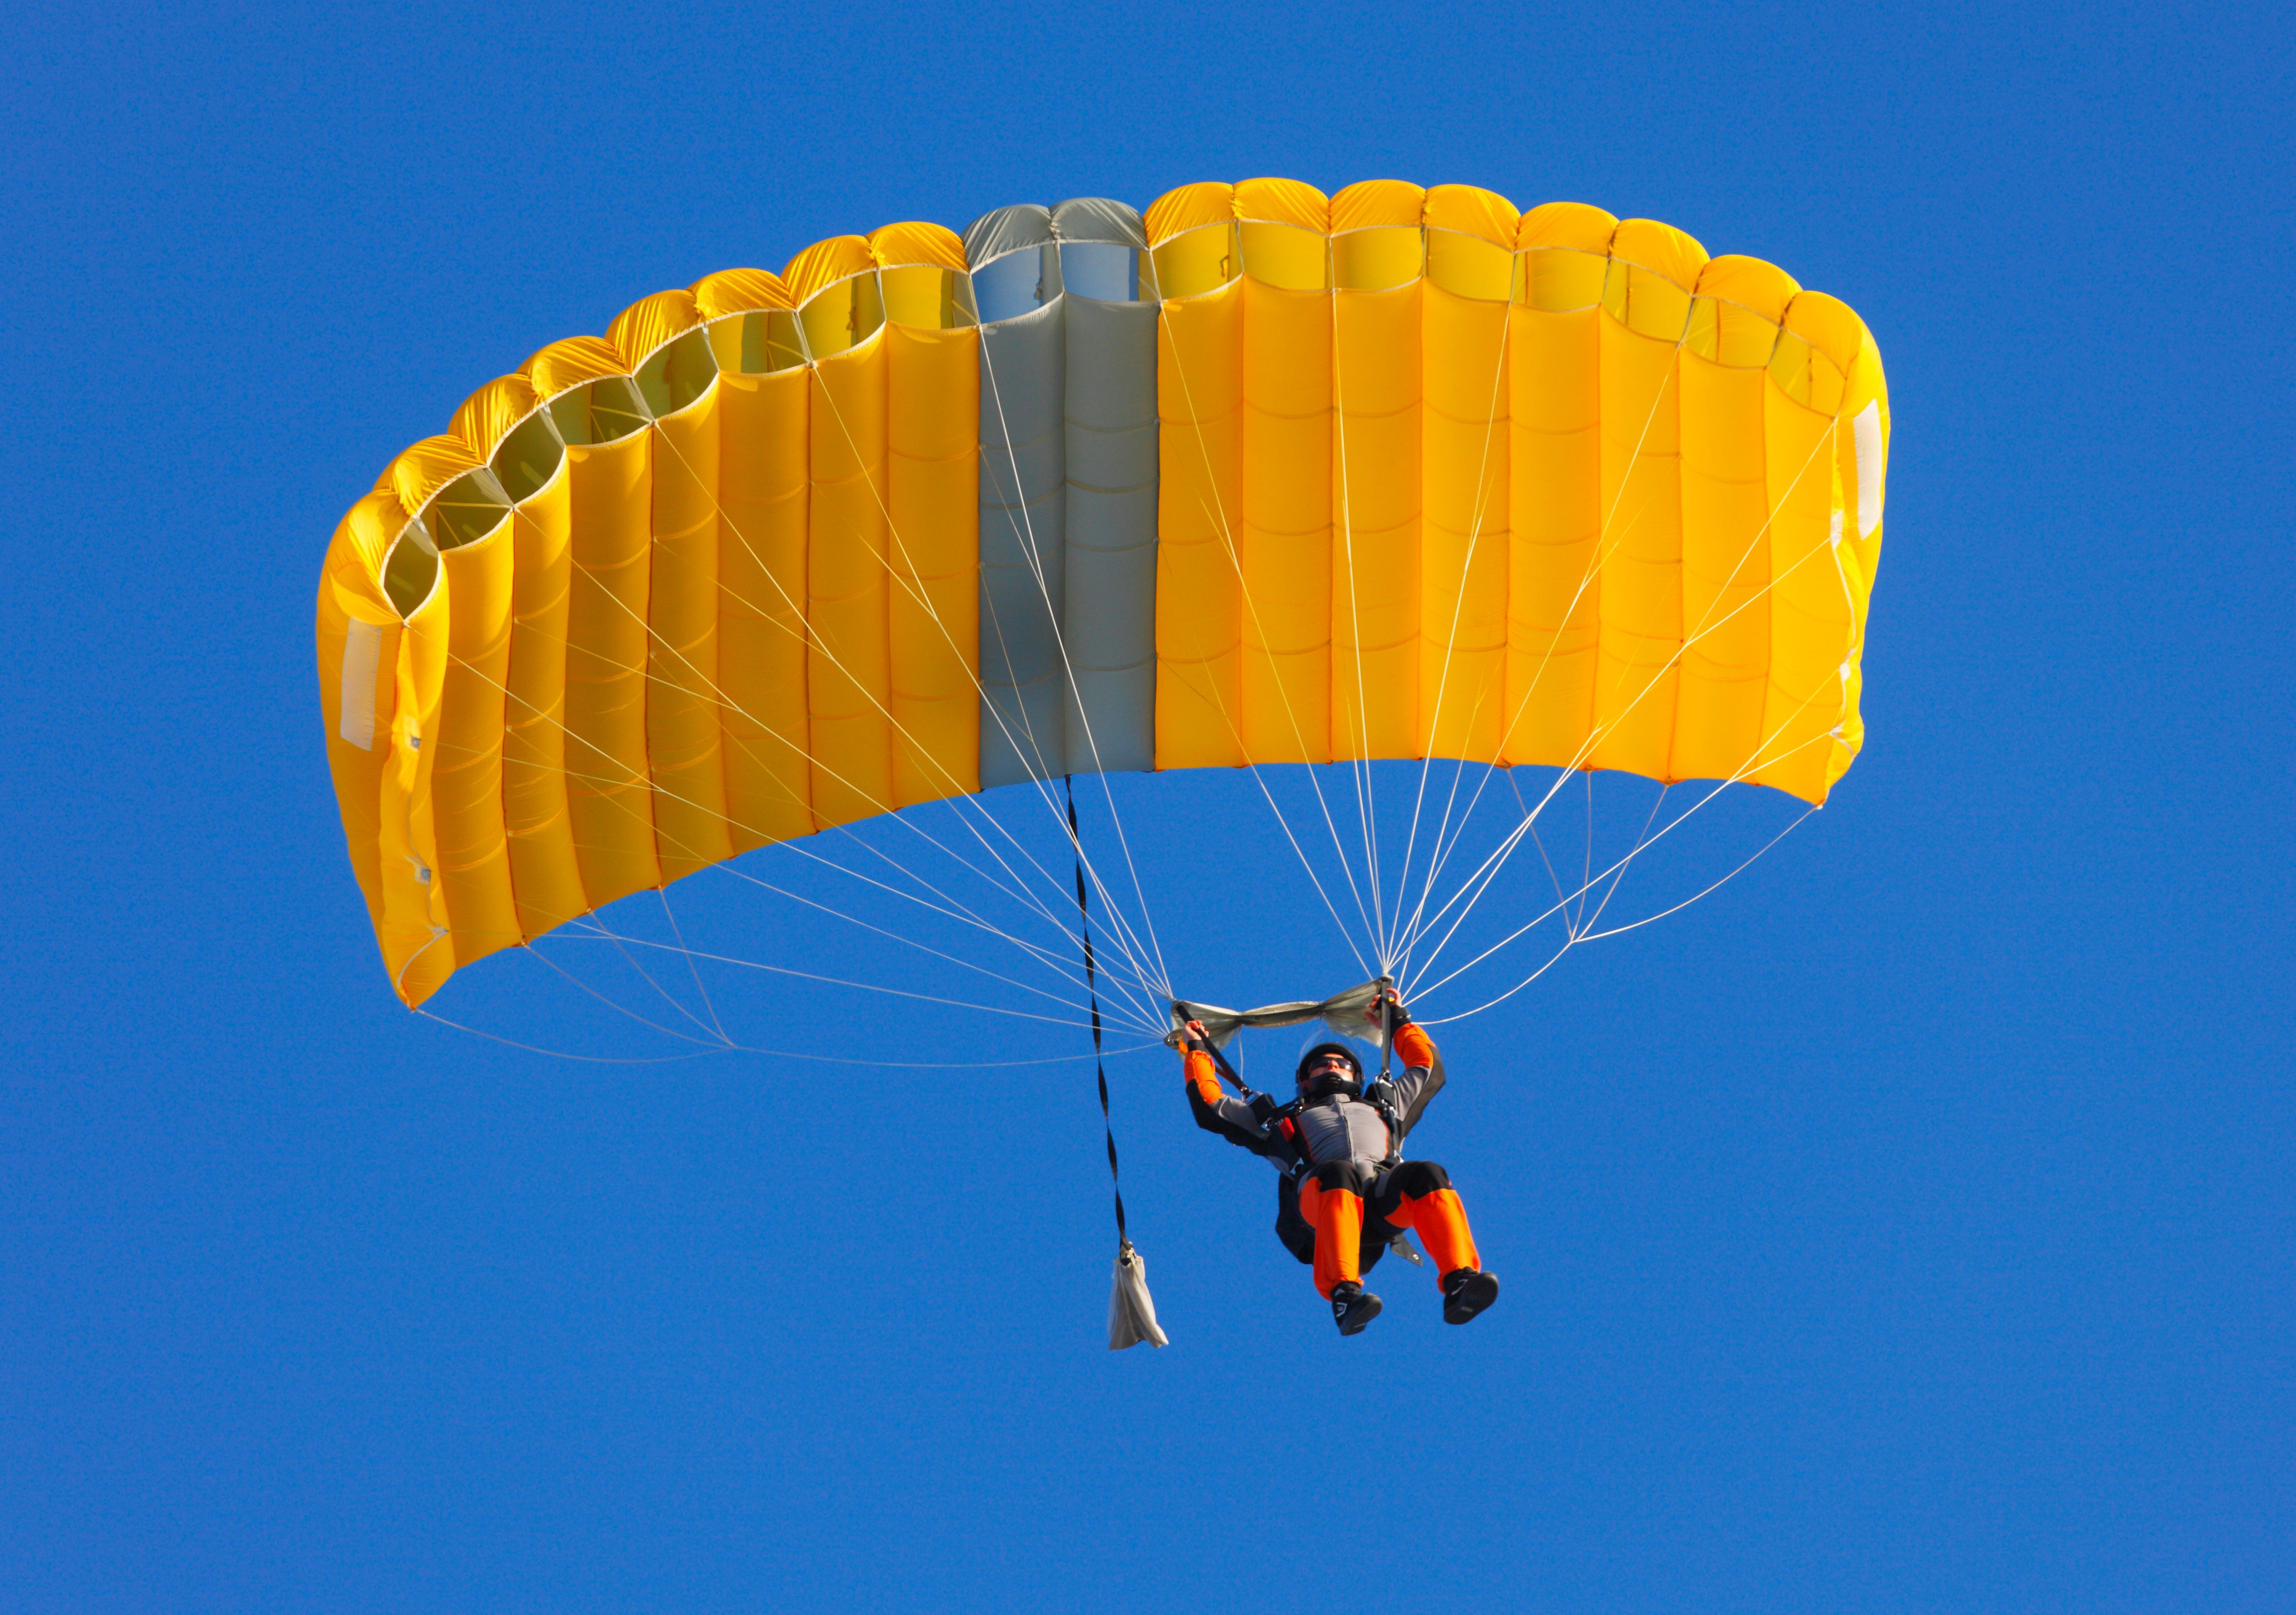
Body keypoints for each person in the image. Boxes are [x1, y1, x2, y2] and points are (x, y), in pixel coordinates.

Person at [1178, 991, 1499, 1336]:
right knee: (1338, 1173)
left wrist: (1397, 1022)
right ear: (1304, 1079)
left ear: (1356, 1076)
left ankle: (1459, 1280)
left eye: (1342, 1064)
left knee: (1427, 1174)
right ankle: (1344, 1295)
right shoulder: (1277, 1123)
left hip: (1381, 1203)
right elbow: (1210, 1104)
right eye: (1322, 1063)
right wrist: (1197, 1049)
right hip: (1322, 1206)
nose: (1333, 1066)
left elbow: (1428, 1068)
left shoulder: (1387, 1107)